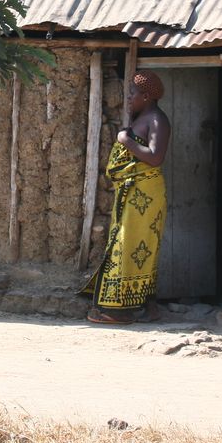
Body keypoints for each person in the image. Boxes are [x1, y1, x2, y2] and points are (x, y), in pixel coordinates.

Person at [84, 69, 170, 324]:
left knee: (132, 246)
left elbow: (155, 157)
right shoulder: (144, 116)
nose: (128, 98)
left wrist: (126, 139)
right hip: (133, 193)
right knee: (136, 247)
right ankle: (148, 307)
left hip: (145, 194)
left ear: (145, 96)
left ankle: (117, 310)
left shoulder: (157, 120)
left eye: (132, 93)